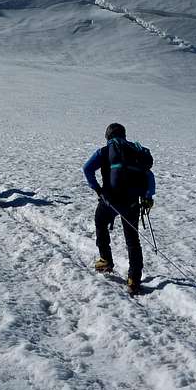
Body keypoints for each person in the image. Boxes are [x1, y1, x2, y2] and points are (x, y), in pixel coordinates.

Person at [82, 122, 155, 296]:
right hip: (133, 201)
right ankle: (134, 279)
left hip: (111, 200)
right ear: (124, 135)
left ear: (108, 136)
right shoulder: (135, 151)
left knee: (100, 221)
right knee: (132, 239)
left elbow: (87, 169)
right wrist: (148, 197)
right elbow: (149, 175)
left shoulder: (106, 151)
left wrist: (98, 189)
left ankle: (105, 260)